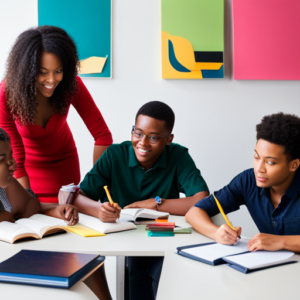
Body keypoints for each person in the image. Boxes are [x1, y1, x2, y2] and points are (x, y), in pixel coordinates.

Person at [72, 101, 209, 300]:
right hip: (123, 240)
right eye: (138, 133)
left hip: (162, 239)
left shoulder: (178, 156)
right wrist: (98, 209)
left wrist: (156, 203)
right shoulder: (115, 155)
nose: (143, 143)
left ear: (168, 139)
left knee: (161, 277)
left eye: (153, 137)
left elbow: (202, 198)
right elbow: (78, 197)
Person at [0, 25, 112, 203]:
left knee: (72, 223)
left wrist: (94, 188)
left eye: (58, 71)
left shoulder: (71, 86)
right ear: (26, 71)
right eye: (43, 73)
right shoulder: (7, 94)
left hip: (65, 165)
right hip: (26, 172)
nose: (52, 80)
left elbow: (103, 136)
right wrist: (28, 200)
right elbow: (15, 157)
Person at [0, 127, 112, 300]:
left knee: (89, 259)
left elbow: (30, 207)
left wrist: (55, 209)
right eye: (2, 159)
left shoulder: (5, 187)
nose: (13, 164)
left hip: (18, 259)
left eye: (11, 155)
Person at [186, 112, 300, 252]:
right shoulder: (248, 181)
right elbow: (194, 212)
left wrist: (282, 242)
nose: (259, 169)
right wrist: (216, 233)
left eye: (270, 162)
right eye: (256, 157)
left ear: (293, 165)